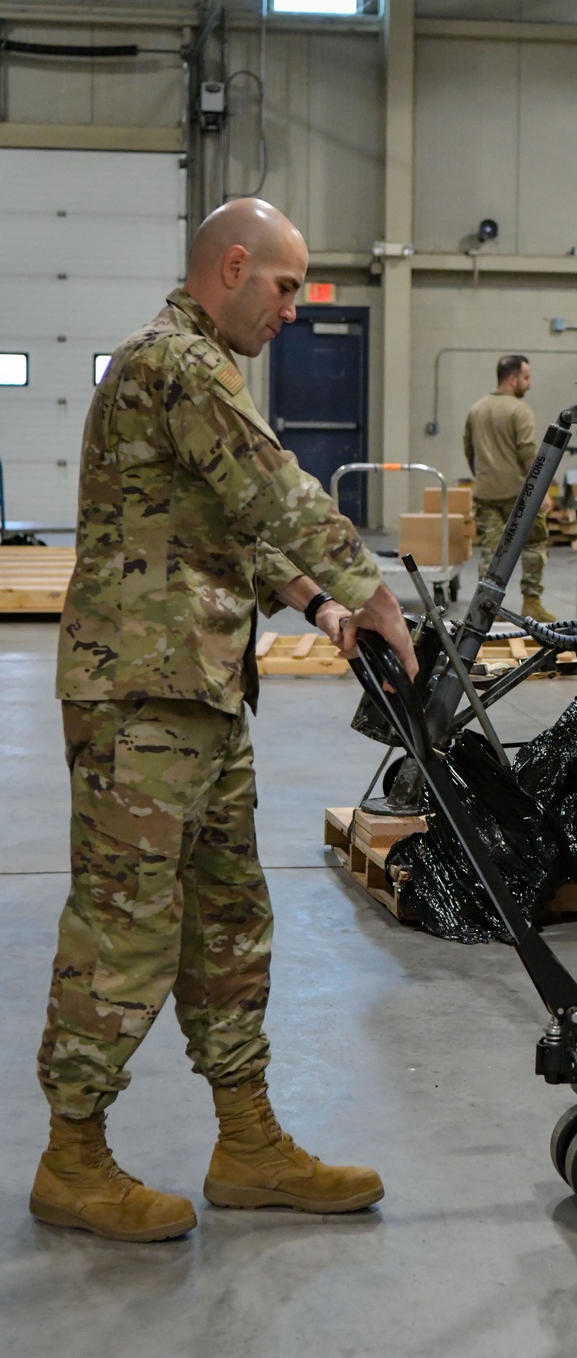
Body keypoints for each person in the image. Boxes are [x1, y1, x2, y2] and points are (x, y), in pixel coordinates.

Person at [31, 198, 418, 1244]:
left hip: (199, 691)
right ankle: (72, 1156)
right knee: (126, 926)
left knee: (230, 919)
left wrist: (319, 605)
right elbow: (273, 488)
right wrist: (371, 589)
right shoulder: (178, 365)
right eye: (286, 286)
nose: (293, 308)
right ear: (233, 266)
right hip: (141, 697)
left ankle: (246, 1141)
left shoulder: (192, 369)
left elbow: (228, 526)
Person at [464, 354, 554, 624]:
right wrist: (542, 490)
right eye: (526, 378)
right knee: (535, 544)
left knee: (491, 552)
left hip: (486, 494)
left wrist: (484, 477)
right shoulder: (519, 410)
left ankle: (487, 608)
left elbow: (469, 451)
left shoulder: (476, 409)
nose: (529, 383)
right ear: (513, 379)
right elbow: (528, 451)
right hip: (520, 496)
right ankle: (532, 602)